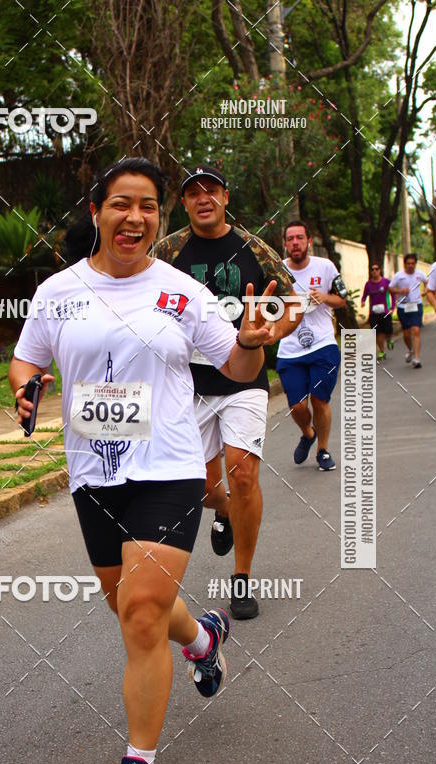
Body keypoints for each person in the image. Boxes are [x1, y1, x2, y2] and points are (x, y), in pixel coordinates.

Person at [8, 158, 274, 764]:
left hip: (170, 467)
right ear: (97, 211)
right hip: (94, 474)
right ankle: (204, 640)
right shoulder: (58, 292)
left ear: (160, 217)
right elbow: (28, 354)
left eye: (150, 206)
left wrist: (250, 343)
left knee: (143, 615)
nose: (136, 218)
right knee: (134, 612)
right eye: (122, 204)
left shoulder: (182, 292)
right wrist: (24, 384)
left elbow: (237, 364)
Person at [154, 164, 297, 621]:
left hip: (243, 377)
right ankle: (224, 514)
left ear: (225, 197)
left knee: (242, 474)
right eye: (193, 192)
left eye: (211, 190)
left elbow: (292, 302)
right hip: (187, 383)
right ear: (185, 202)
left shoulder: (253, 247)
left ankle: (241, 578)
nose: (203, 198)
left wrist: (269, 332)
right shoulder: (168, 250)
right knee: (199, 486)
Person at [276, 220, 347, 472]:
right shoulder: (278, 270)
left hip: (322, 345)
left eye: (299, 237)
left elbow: (342, 299)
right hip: (290, 347)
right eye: (290, 238)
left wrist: (324, 297)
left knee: (319, 400)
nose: (295, 242)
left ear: (308, 241)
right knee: (297, 406)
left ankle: (323, 450)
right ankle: (308, 433)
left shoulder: (325, 266)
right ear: (285, 244)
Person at [389, 253, 428, 368]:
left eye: (412, 263)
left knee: (416, 330)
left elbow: (427, 282)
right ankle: (410, 349)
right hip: (403, 307)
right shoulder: (399, 275)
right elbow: (390, 288)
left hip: (416, 305)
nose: (410, 265)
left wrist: (425, 290)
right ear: (405, 264)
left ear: (415, 264)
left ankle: (416, 358)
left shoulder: (419, 274)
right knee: (406, 334)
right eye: (408, 263)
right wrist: (400, 292)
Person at [361, 263, 394, 360]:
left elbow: (393, 295)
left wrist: (392, 307)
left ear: (380, 270)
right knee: (377, 331)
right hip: (373, 313)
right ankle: (382, 351)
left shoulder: (386, 282)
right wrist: (363, 301)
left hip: (385, 312)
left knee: (388, 330)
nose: (374, 271)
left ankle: (389, 339)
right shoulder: (368, 284)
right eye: (372, 269)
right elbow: (364, 295)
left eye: (376, 269)